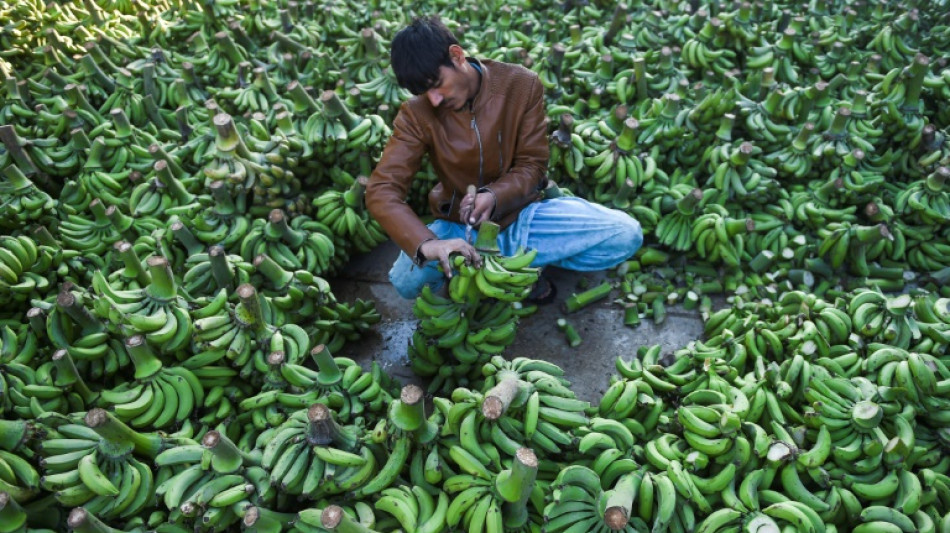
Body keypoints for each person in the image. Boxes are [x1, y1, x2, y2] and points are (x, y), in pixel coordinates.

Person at [366, 16, 643, 301]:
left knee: (626, 234)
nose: (434, 100)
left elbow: (532, 164)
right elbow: (382, 190)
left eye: (437, 84)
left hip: (523, 213)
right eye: (424, 93)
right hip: (460, 226)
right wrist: (426, 244)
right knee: (405, 282)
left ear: (457, 55)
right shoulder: (416, 114)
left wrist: (494, 195)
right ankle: (500, 267)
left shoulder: (521, 85)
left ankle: (518, 266)